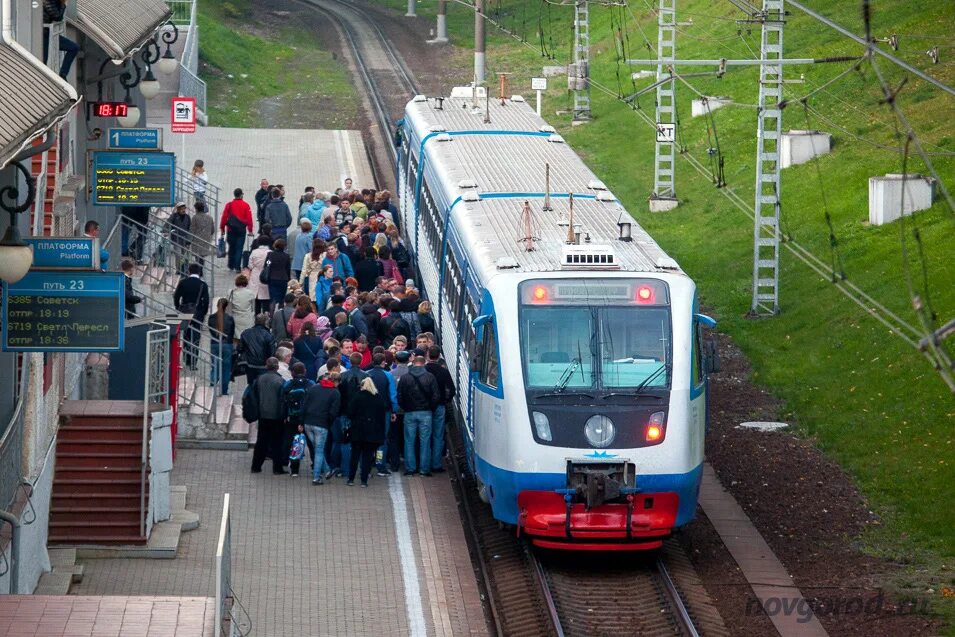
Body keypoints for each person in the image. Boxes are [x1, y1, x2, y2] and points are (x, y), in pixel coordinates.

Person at [397, 355, 440, 476]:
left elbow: (399, 396)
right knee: (425, 441)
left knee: (409, 441)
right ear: (424, 363)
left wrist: (406, 407)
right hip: (426, 413)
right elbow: (436, 396)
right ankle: (424, 469)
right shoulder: (430, 377)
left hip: (409, 413)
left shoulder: (405, 378)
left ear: (413, 363)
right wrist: (430, 408)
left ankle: (410, 469)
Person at [347, 377, 387, 487]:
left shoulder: (358, 396)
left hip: (357, 430)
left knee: (355, 456)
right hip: (372, 432)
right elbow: (382, 416)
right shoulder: (378, 398)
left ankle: (351, 479)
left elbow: (350, 413)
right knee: (367, 457)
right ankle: (364, 481)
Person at [251, 357, 287, 474]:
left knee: (261, 441)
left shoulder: (259, 379)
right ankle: (277, 468)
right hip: (277, 416)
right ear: (277, 367)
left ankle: (256, 467)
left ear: (266, 366)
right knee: (277, 443)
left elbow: (254, 396)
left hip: (263, 414)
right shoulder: (281, 381)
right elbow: (283, 400)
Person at [303, 372, 340, 484]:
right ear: (335, 381)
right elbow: (333, 412)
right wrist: (328, 424)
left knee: (317, 448)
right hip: (321, 424)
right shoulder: (335, 392)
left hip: (308, 423)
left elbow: (304, 405)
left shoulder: (313, 388)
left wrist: (301, 421)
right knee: (319, 450)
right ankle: (316, 477)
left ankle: (328, 470)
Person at [173, 263, 210, 370]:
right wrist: (203, 313)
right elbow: (206, 301)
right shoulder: (203, 284)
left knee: (186, 335)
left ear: (189, 271)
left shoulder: (183, 282)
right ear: (199, 272)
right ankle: (193, 362)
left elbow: (176, 297)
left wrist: (178, 307)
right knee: (196, 338)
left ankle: (186, 358)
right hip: (197, 314)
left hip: (185, 312)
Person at [367, 352, 398, 475]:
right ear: (383, 362)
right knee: (382, 439)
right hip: (384, 412)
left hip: (369, 412)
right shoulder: (388, 375)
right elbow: (392, 394)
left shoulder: (367, 374)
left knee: (368, 438)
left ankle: (368, 464)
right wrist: (394, 410)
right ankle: (380, 465)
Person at [426, 346, 455, 473]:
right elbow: (452, 390)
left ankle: (424, 464)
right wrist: (445, 400)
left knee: (425, 436)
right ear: (438, 356)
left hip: (425, 407)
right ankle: (436, 464)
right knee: (438, 436)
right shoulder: (443, 372)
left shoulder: (423, 370)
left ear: (428, 355)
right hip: (439, 407)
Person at [282, 362, 314, 477]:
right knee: (311, 443)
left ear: (292, 373)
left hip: (292, 418)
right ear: (305, 371)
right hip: (307, 418)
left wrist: (284, 416)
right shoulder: (311, 384)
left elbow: (283, 402)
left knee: (292, 442)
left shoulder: (288, 385)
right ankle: (315, 466)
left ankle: (293, 468)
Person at [220, 188, 254, 273]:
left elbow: (224, 217)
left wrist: (222, 228)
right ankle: (237, 267)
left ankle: (231, 265)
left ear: (234, 195)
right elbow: (249, 218)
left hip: (231, 229)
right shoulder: (246, 205)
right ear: (241, 195)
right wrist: (250, 230)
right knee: (239, 248)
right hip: (241, 230)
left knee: (232, 247)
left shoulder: (229, 205)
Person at [207, 298, 236, 396]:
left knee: (215, 367)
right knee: (226, 369)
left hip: (214, 344)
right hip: (227, 345)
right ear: (226, 307)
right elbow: (232, 333)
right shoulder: (230, 318)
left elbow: (211, 331)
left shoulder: (211, 318)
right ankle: (224, 391)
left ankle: (212, 386)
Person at [239, 313, 274, 386]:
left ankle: (249, 395)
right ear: (265, 322)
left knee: (251, 384)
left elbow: (240, 348)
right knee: (262, 385)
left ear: (255, 321)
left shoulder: (245, 333)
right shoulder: (268, 335)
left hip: (250, 364)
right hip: (263, 365)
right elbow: (271, 352)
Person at [265, 239, 292, 311]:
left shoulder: (270, 255)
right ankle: (280, 313)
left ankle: (271, 315)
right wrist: (288, 278)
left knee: (272, 299)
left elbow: (267, 265)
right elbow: (288, 268)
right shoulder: (286, 256)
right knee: (281, 299)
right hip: (283, 278)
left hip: (272, 278)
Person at [247, 238, 272, 315]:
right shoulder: (270, 252)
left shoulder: (254, 252)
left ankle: (257, 316)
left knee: (256, 298)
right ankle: (266, 315)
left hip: (255, 274)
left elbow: (250, 265)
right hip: (266, 275)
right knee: (266, 298)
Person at [191, 201, 216, 275]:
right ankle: (200, 269)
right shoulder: (210, 217)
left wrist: (190, 239)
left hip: (197, 239)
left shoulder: (195, 217)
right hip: (206, 239)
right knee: (202, 255)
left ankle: (199, 269)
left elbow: (192, 229)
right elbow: (212, 230)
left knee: (198, 255)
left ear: (196, 209)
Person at [167, 202, 192, 276]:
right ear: (178, 209)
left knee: (186, 256)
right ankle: (179, 270)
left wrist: (189, 240)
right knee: (178, 255)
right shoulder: (174, 216)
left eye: (184, 208)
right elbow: (168, 224)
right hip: (176, 239)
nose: (183, 210)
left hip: (185, 239)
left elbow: (190, 229)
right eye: (181, 209)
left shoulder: (187, 217)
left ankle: (186, 270)